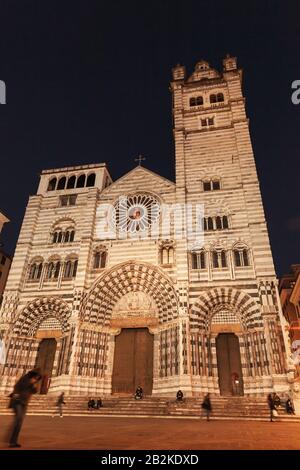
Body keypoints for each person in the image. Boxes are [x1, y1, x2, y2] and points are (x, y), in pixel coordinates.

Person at [8, 368, 42, 448]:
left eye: (38, 377)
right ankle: (12, 441)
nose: (37, 378)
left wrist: (34, 385)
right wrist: (16, 393)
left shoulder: (34, 382)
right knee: (19, 419)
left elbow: (34, 391)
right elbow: (16, 386)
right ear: (33, 375)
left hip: (24, 403)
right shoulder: (25, 378)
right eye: (36, 376)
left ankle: (13, 441)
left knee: (19, 422)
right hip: (17, 402)